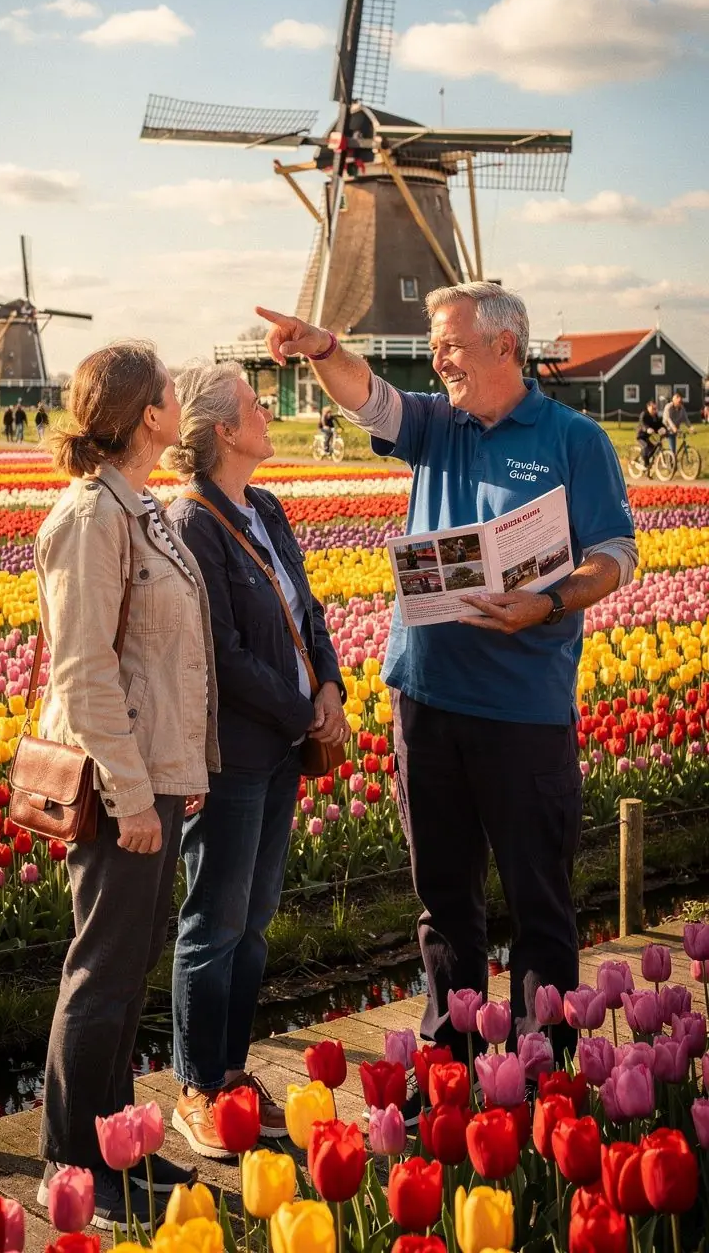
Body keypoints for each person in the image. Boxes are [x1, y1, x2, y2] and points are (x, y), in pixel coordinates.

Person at [256, 284, 637, 1090]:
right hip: (425, 700)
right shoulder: (437, 424)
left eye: (452, 344)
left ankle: (541, 1074)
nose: (439, 360)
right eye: (435, 345)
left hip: (524, 708)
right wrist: (323, 349)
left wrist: (547, 603)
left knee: (539, 899)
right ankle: (450, 1066)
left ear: (505, 346)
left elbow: (613, 554)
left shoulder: (574, 439)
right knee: (444, 898)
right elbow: (369, 397)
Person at [34, 341, 219, 1232]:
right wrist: (134, 794)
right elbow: (85, 671)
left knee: (129, 963)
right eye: (172, 392)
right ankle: (69, 1166)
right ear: (148, 415)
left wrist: (184, 770)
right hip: (120, 784)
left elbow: (167, 655)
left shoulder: (137, 506)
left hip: (155, 772)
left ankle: (113, 1150)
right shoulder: (90, 517)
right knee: (102, 971)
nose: (180, 400)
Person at [165, 361, 346, 1159]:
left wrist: (331, 683)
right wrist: (302, 709)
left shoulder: (265, 506)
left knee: (256, 921)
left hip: (282, 750)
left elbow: (307, 610)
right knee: (215, 921)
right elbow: (223, 655)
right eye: (254, 402)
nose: (267, 409)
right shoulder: (193, 522)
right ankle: (196, 1086)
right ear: (223, 431)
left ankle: (233, 1071)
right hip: (233, 755)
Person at [636, 398, 664, 467]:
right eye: (653, 408)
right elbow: (642, 423)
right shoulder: (644, 414)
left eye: (655, 408)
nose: (655, 410)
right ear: (648, 407)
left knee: (653, 448)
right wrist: (647, 429)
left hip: (647, 437)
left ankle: (646, 460)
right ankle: (646, 465)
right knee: (646, 447)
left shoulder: (655, 416)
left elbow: (658, 424)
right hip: (641, 436)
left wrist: (663, 428)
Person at [662, 390, 690, 455]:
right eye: (679, 402)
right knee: (672, 450)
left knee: (674, 448)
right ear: (674, 400)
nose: (680, 403)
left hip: (675, 429)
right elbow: (668, 419)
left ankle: (672, 457)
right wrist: (673, 427)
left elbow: (685, 419)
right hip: (667, 429)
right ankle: (670, 459)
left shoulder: (682, 408)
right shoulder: (668, 407)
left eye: (681, 401)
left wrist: (690, 427)